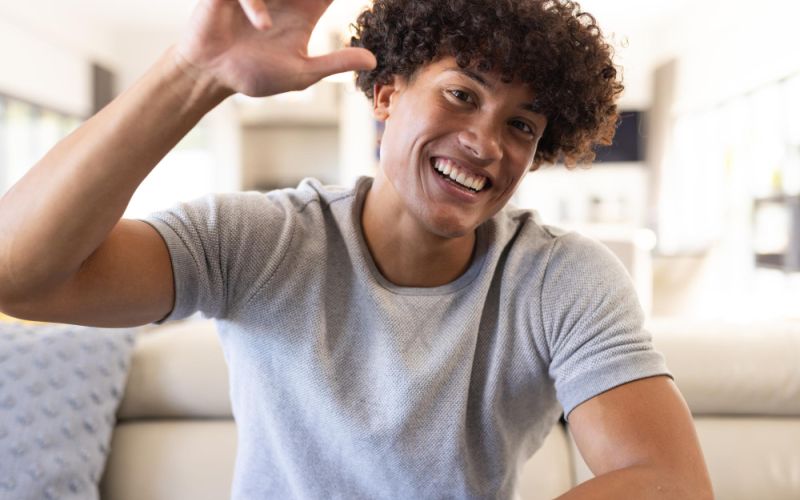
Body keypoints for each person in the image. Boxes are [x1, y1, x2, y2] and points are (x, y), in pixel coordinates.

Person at [0, 0, 713, 498]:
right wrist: (193, 74)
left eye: (522, 125)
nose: (488, 144)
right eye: (463, 95)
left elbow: (670, 481)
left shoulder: (562, 278)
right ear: (386, 94)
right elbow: (18, 276)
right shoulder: (256, 241)